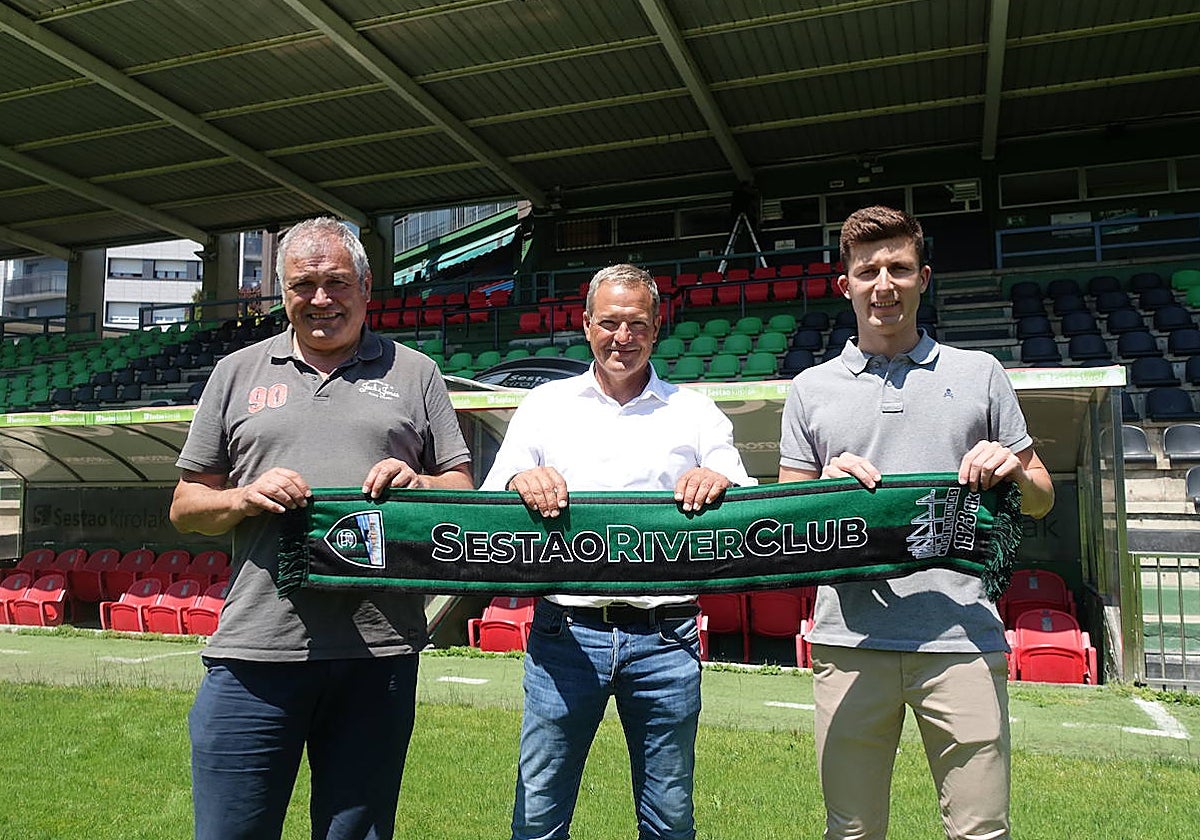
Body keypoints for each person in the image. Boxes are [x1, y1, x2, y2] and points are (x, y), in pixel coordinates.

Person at [170, 217, 473, 840]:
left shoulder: (415, 372)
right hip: (257, 649)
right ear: (283, 292)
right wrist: (243, 497)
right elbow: (185, 506)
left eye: (336, 282)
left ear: (365, 287)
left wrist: (418, 485)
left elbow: (461, 494)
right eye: (302, 285)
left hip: (378, 651)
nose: (320, 299)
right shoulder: (236, 372)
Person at [777, 206, 1054, 840]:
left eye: (899, 268)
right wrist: (823, 492)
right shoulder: (809, 389)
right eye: (868, 271)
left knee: (981, 831)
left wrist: (1011, 468)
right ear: (845, 284)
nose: (884, 285)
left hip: (962, 639)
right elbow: (789, 524)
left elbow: (1040, 498)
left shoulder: (981, 373)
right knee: (851, 831)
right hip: (849, 640)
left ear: (923, 278)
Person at [482, 264, 754, 840]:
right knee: (539, 812)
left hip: (666, 637)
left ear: (657, 328)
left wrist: (718, 480)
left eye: (637, 324)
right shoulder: (544, 405)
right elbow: (491, 500)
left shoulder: (695, 411)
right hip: (564, 633)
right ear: (586, 325)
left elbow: (745, 498)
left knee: (669, 818)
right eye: (609, 323)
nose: (622, 337)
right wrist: (519, 481)